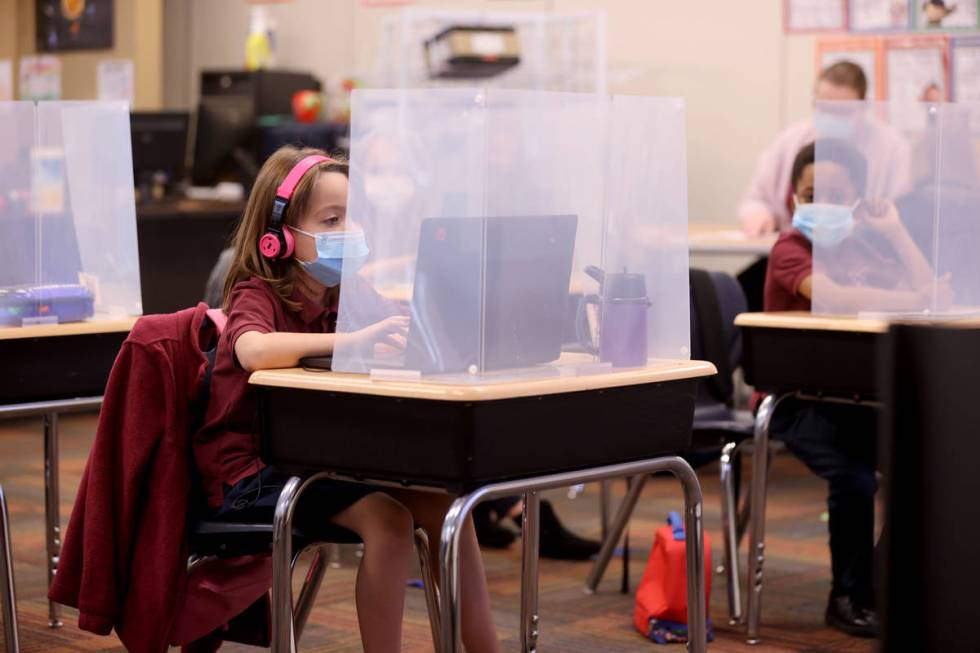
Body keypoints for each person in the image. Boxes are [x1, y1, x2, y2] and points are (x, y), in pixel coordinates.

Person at [194, 145, 500, 653]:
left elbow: (398, 331)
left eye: (352, 220)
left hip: (318, 460)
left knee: (449, 508)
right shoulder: (258, 293)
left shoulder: (346, 293)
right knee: (387, 519)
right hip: (251, 474)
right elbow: (253, 350)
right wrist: (353, 340)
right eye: (332, 220)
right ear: (278, 239)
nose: (348, 233)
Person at [762, 139, 939, 638]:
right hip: (796, 401)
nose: (824, 205)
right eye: (813, 193)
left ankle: (885, 592)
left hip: (855, 398)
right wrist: (911, 295)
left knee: (926, 466)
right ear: (795, 198)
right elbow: (832, 298)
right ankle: (846, 597)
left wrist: (896, 231)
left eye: (839, 195)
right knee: (857, 478)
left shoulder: (865, 246)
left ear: (859, 201)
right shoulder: (790, 248)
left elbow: (933, 292)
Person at [737, 61, 910, 236]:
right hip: (790, 245)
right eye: (824, 107)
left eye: (842, 111)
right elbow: (755, 199)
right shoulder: (790, 141)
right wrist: (759, 216)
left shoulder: (891, 148)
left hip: (860, 252)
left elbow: (899, 210)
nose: (832, 116)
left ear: (863, 107)